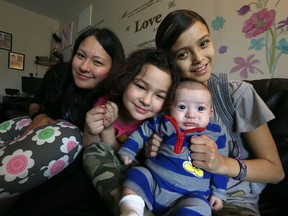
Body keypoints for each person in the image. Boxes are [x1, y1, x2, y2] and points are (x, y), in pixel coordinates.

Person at [144, 9, 284, 216]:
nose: (199, 58)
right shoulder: (166, 100)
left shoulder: (237, 95)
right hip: (171, 196)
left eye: (203, 43)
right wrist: (153, 149)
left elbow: (275, 171)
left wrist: (222, 164)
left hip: (231, 202)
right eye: (183, 54)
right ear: (170, 61)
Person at [0, 27, 125, 212]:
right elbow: (35, 102)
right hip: (31, 131)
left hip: (64, 158)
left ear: (112, 69)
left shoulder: (112, 100)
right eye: (80, 56)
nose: (84, 67)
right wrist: (39, 115)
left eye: (97, 62)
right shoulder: (58, 73)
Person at [83, 47, 180, 215]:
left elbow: (127, 163)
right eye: (141, 86)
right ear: (126, 80)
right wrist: (91, 131)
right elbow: (94, 152)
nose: (146, 100)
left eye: (159, 96)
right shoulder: (105, 105)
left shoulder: (157, 127)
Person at [118, 80, 228, 216]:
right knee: (137, 174)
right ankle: (132, 210)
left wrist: (219, 192)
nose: (191, 115)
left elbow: (221, 165)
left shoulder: (215, 134)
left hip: (189, 196)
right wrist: (129, 148)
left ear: (210, 113)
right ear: (170, 107)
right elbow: (143, 132)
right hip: (154, 184)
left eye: (200, 109)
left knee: (200, 206)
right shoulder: (164, 123)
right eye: (182, 107)